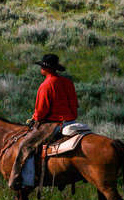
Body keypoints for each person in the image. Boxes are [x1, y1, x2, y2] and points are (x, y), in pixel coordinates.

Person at [8, 54, 79, 190]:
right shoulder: (68, 82)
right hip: (71, 121)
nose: (40, 68)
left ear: (45, 68)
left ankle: (26, 182)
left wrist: (35, 119)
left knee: (25, 146)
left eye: (42, 66)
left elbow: (41, 112)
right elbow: (75, 105)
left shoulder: (46, 85)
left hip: (55, 124)